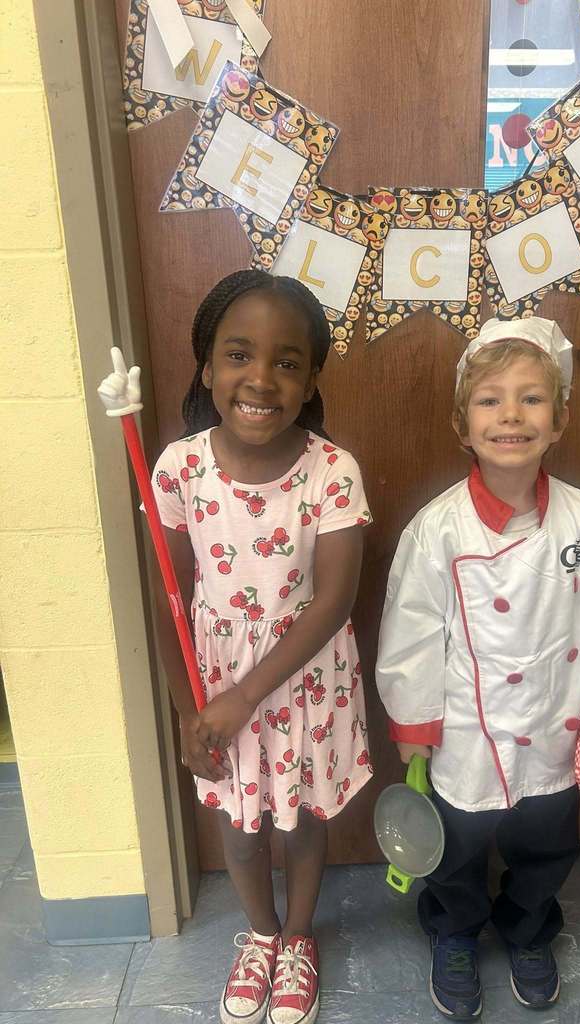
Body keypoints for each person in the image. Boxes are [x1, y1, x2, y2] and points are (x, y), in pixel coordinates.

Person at [376, 317, 580, 1017]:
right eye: (491, 400)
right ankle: (456, 929)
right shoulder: (438, 528)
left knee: (545, 842)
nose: (511, 416)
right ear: (462, 423)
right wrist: (414, 720)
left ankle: (528, 928)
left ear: (560, 420)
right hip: (466, 727)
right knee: (456, 846)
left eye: (531, 398)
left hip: (556, 724)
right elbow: (411, 631)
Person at [145, 270, 372, 1024]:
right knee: (239, 828)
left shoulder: (332, 472)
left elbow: (335, 599)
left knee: (302, 823)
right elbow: (170, 598)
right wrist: (192, 712)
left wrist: (247, 694)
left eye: (286, 362)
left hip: (304, 679)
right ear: (207, 367)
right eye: (239, 355)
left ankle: (300, 937)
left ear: (310, 382)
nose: (260, 379)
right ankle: (261, 934)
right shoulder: (179, 468)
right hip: (217, 686)